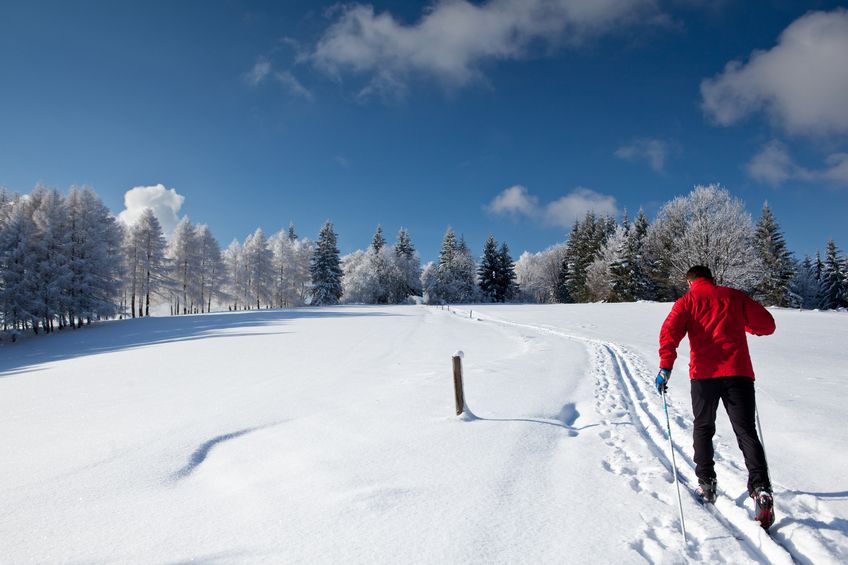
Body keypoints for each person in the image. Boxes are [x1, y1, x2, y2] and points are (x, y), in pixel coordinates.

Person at [655, 265, 776, 529]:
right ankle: (761, 489)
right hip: (739, 374)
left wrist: (666, 367)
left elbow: (670, 334)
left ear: (690, 283)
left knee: (703, 427)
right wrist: (742, 323)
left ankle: (707, 484)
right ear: (712, 278)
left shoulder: (686, 302)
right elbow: (767, 324)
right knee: (746, 431)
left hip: (704, 377)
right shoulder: (733, 296)